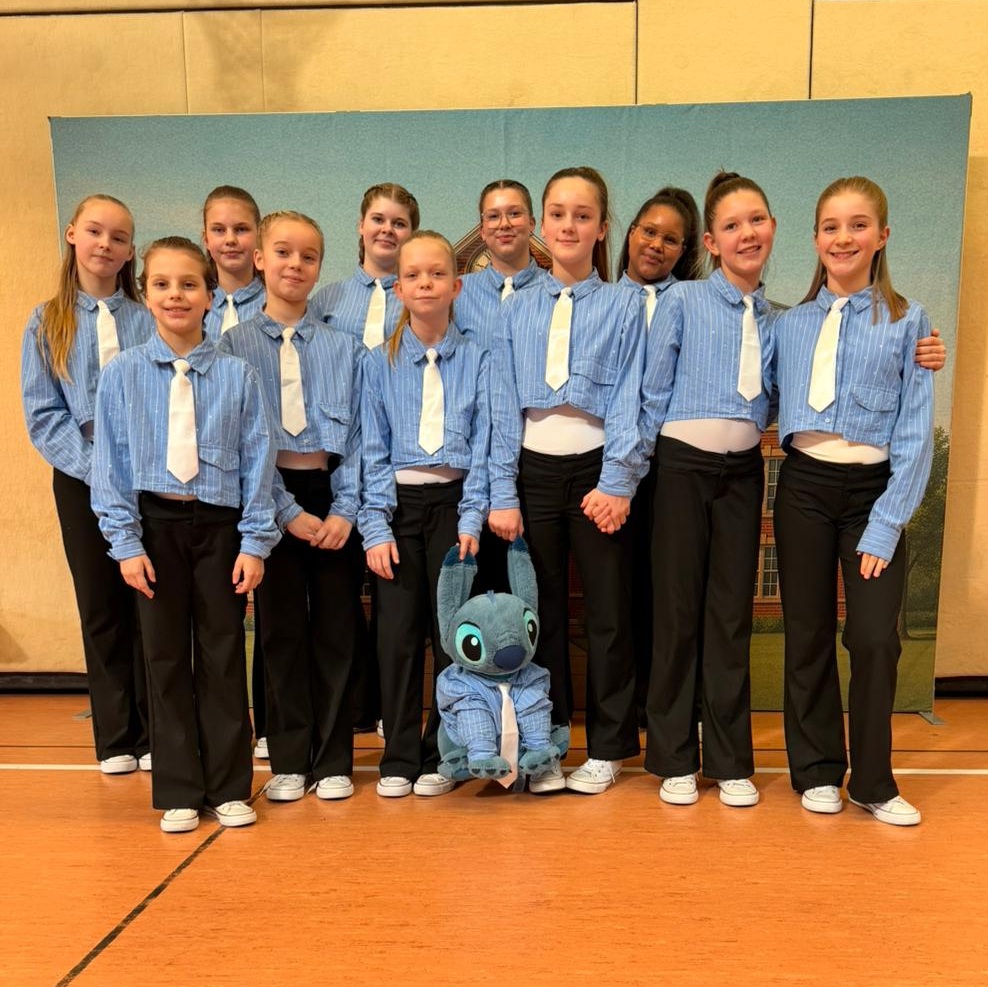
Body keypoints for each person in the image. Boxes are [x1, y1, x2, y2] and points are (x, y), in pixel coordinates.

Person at [91, 236, 279, 833]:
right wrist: (126, 545)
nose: (176, 295)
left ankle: (228, 786)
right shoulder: (122, 374)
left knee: (223, 653)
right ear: (145, 294)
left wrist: (254, 543)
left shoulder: (237, 375)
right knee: (164, 655)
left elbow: (259, 463)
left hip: (219, 528)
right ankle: (177, 787)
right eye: (163, 284)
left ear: (210, 295)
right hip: (155, 528)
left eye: (189, 284)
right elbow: (110, 466)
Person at [774, 176, 933, 827]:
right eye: (831, 227)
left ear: (882, 236)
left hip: (874, 496)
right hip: (803, 490)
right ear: (816, 239)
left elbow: (915, 431)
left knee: (873, 638)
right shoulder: (788, 324)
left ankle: (872, 780)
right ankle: (816, 770)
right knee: (807, 632)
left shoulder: (909, 321)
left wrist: (887, 523)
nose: (844, 238)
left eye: (858, 225)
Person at [489, 166, 645, 795]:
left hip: (597, 471)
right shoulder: (516, 309)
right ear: (542, 224)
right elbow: (503, 404)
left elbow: (633, 397)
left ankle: (608, 748)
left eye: (583, 216)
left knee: (607, 615)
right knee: (539, 614)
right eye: (558, 214)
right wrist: (504, 490)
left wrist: (619, 481)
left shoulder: (624, 304)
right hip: (533, 473)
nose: (569, 226)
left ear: (602, 227)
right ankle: (545, 743)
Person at [219, 211, 363, 804]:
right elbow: (240, 441)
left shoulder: (344, 348)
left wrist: (345, 509)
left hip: (332, 499)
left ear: (320, 267)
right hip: (265, 498)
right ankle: (288, 757)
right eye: (282, 252)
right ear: (259, 259)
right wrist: (283, 512)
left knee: (336, 631)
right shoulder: (232, 347)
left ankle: (333, 759)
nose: (295, 265)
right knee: (279, 632)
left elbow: (361, 437)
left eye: (308, 256)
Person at [20, 193, 151, 775]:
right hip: (82, 478)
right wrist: (99, 468)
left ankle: (156, 732)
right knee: (101, 605)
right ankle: (117, 737)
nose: (105, 244)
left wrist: (139, 468)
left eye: (119, 237)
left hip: (150, 477)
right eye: (96, 231)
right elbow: (43, 414)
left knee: (149, 604)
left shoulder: (147, 320)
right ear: (73, 234)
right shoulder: (46, 322)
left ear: (130, 252)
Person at [359, 230, 490, 798]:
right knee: (397, 636)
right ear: (398, 288)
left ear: (456, 286)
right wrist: (374, 526)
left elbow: (487, 445)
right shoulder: (377, 364)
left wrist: (472, 517)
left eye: (437, 274)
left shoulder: (480, 359)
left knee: (450, 635)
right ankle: (399, 756)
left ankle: (443, 752)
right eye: (413, 275)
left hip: (455, 508)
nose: (426, 284)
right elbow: (369, 450)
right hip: (398, 510)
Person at [312, 182, 420, 735]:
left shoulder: (420, 295)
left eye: (399, 222)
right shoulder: (327, 301)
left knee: (393, 590)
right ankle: (352, 705)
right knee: (339, 593)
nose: (387, 230)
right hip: (335, 459)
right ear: (360, 226)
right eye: (378, 219)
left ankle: (388, 708)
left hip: (397, 460)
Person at [616, 187, 703, 724]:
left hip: (671, 467)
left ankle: (670, 707)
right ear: (630, 233)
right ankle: (622, 711)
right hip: (612, 468)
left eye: (671, 239)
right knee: (620, 592)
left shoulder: (693, 304)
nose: (656, 244)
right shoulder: (600, 300)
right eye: (649, 231)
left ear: (685, 250)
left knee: (670, 590)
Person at [200, 184, 269, 756]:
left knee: (268, 614)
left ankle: (267, 722)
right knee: (217, 614)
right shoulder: (190, 305)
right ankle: (216, 728)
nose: (231, 240)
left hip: (262, 471)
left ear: (258, 239)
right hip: (205, 478)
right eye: (220, 230)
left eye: (242, 229)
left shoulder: (277, 305)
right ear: (205, 237)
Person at [457, 179, 542, 593]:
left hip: (533, 461)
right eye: (493, 216)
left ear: (532, 222)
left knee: (529, 585)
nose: (504, 223)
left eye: (514, 213)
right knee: (477, 588)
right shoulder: (457, 295)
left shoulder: (553, 293)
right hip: (470, 461)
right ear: (482, 227)